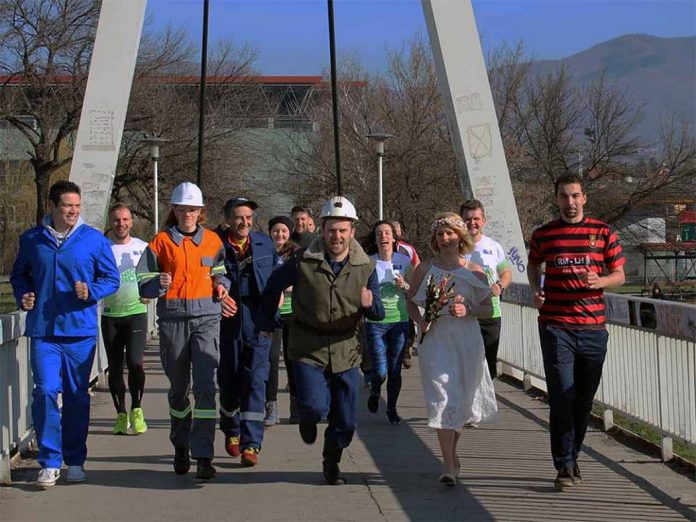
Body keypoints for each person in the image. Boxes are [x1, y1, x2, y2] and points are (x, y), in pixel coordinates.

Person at [261, 196, 385, 485]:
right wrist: (267, 321)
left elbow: (378, 312)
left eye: (343, 230)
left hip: (346, 347)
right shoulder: (302, 260)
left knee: (347, 421)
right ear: (322, 229)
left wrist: (369, 304)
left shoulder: (365, 266)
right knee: (315, 407)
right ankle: (307, 417)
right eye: (332, 230)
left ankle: (332, 461)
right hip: (307, 345)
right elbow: (272, 286)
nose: (337, 236)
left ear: (352, 231)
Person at [10, 180, 120, 487]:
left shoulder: (93, 240)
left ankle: (74, 460)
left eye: (76, 206)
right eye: (67, 206)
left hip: (79, 331)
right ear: (52, 206)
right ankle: (49, 461)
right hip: (44, 331)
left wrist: (91, 291)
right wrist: (24, 294)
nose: (73, 211)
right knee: (45, 391)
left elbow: (111, 279)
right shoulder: (32, 239)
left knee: (75, 398)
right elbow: (19, 275)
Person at [527, 173, 625, 491]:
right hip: (556, 326)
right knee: (561, 397)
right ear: (555, 199)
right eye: (563, 196)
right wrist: (536, 289)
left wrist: (601, 282)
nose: (569, 202)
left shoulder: (603, 232)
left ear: (584, 198)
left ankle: (573, 454)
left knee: (582, 401)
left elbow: (619, 274)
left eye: (575, 196)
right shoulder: (544, 235)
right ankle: (564, 466)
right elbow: (533, 265)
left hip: (593, 328)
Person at [137, 182, 231, 481]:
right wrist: (157, 283)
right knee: (179, 391)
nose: (188, 214)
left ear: (200, 212)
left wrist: (221, 287)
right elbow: (143, 283)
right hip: (173, 321)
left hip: (207, 320)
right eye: (182, 209)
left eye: (193, 209)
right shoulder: (160, 242)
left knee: (205, 389)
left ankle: (203, 455)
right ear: (174, 210)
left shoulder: (214, 241)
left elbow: (221, 273)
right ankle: (180, 446)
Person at [406, 212, 497, 486]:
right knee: (443, 397)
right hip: (436, 340)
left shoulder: (474, 271)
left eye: (450, 233)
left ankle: (452, 453)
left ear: (460, 237)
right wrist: (421, 321)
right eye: (440, 234)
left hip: (466, 341)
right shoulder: (424, 269)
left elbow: (487, 308)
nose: (445, 239)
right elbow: (410, 301)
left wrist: (468, 308)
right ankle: (447, 465)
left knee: (461, 401)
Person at [216, 196, 277, 467]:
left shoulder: (264, 243)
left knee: (255, 380)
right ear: (228, 219)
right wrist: (214, 297)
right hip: (226, 321)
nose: (245, 222)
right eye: (239, 217)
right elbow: (203, 276)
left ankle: (252, 443)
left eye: (249, 218)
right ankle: (232, 429)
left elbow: (276, 279)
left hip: (258, 320)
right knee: (229, 379)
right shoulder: (213, 243)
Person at [102, 203, 150, 435]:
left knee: (135, 362)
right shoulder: (102, 248)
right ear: (110, 223)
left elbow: (153, 276)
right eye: (116, 220)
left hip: (136, 314)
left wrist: (150, 293)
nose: (121, 224)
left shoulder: (143, 247)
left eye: (125, 219)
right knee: (115, 367)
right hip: (110, 315)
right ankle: (121, 413)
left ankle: (137, 409)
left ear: (131, 222)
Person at [361, 221, 413, 424]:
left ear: (393, 238)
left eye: (387, 233)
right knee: (380, 369)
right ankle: (375, 390)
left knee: (395, 369)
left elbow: (414, 289)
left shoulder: (404, 260)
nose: (383, 237)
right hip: (375, 321)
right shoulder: (368, 262)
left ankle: (391, 408)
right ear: (375, 239)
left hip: (400, 320)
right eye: (379, 233)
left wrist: (404, 285)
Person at [459, 199, 513, 380]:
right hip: (465, 313)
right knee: (468, 364)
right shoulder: (455, 247)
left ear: (483, 221)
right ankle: (469, 405)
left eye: (476, 219)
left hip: (490, 313)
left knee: (488, 367)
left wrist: (500, 285)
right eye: (467, 219)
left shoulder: (494, 246)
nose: (472, 223)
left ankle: (484, 405)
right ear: (461, 221)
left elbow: (505, 272)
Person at [266, 214, 301, 425]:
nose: (279, 234)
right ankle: (271, 405)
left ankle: (296, 404)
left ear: (289, 233)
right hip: (271, 315)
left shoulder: (296, 254)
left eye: (283, 231)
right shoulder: (263, 252)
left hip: (293, 314)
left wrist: (285, 286)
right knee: (270, 361)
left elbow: (304, 281)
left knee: (293, 360)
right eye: (276, 231)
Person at [390, 220, 420, 369]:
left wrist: (412, 285)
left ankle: (406, 352)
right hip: (388, 294)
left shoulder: (408, 249)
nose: (394, 234)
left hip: (406, 291)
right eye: (391, 231)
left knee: (407, 322)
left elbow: (418, 266)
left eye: (396, 231)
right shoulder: (380, 249)